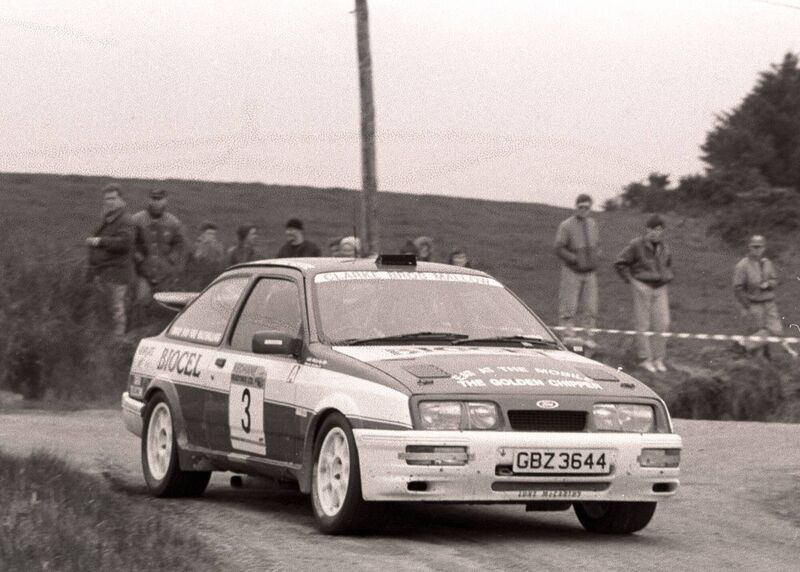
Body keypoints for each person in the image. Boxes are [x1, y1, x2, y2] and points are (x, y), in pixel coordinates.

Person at [614, 214, 673, 373]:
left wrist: (665, 277)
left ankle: (658, 358)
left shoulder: (665, 247)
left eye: (659, 230)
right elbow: (620, 263)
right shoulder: (636, 245)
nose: (656, 233)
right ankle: (645, 359)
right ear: (647, 230)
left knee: (663, 323)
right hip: (642, 286)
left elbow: (668, 264)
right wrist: (632, 281)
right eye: (653, 229)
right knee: (643, 324)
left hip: (660, 288)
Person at [732, 235, 794, 358]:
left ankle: (742, 345)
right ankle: (758, 357)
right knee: (758, 331)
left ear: (764, 248)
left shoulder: (767, 263)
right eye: (754, 247)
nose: (757, 250)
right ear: (749, 247)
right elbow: (737, 288)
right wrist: (747, 305)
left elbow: (774, 279)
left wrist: (768, 284)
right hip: (754, 303)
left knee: (775, 330)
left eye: (760, 247)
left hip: (769, 303)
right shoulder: (742, 265)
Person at [85, 183, 135, 335]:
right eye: (107, 199)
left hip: (116, 274)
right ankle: (108, 338)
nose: (109, 202)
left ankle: (118, 340)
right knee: (106, 307)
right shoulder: (109, 219)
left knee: (115, 307)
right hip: (105, 272)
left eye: (113, 198)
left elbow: (125, 243)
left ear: (121, 200)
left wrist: (100, 241)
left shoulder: (125, 220)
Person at [554, 194, 600, 351]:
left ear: (590, 208)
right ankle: (568, 337)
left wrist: (596, 257)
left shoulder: (593, 224)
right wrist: (574, 259)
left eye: (586, 207)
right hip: (572, 271)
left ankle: (589, 338)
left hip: (590, 273)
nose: (583, 210)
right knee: (569, 305)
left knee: (591, 307)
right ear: (576, 207)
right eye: (580, 207)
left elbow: (597, 244)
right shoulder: (566, 225)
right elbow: (559, 248)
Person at [132, 188, 185, 300]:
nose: (156, 202)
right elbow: (130, 241)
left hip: (164, 274)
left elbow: (179, 243)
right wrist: (138, 257)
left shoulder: (174, 223)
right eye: (153, 199)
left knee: (164, 304)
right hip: (142, 273)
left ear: (165, 201)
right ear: (148, 200)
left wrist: (171, 259)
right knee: (141, 304)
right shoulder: (137, 220)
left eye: (159, 199)